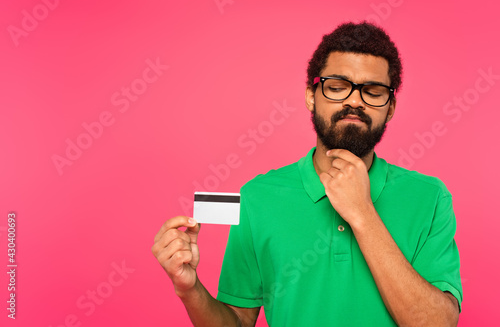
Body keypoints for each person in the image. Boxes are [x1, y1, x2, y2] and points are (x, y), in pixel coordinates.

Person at [151, 21, 463, 326]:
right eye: (338, 87)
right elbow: (238, 322)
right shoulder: (257, 197)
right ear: (311, 96)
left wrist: (363, 214)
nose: (355, 101)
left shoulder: (430, 197)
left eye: (373, 90)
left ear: (390, 107)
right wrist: (189, 289)